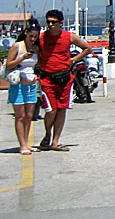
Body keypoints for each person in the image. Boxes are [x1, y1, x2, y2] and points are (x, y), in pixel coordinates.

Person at [37, 9, 91, 151]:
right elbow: (34, 51)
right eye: (48, 22)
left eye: (53, 22)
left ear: (61, 23)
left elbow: (87, 48)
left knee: (61, 109)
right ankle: (48, 133)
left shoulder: (69, 37)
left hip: (64, 78)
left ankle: (55, 142)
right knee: (51, 110)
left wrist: (73, 60)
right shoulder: (42, 38)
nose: (50, 25)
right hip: (47, 78)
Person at [6, 19, 41, 155]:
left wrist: (37, 74)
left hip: (31, 86)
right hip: (18, 86)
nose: (32, 39)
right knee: (20, 116)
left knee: (29, 116)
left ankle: (27, 143)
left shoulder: (36, 48)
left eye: (35, 37)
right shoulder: (17, 46)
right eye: (30, 36)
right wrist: (22, 58)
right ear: (25, 33)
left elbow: (37, 64)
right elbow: (8, 65)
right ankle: (22, 145)